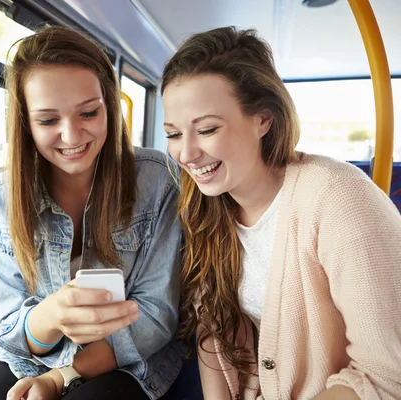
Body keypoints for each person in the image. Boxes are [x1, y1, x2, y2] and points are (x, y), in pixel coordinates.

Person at [161, 26, 401, 399]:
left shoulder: (339, 201)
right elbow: (213, 328)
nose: (187, 154)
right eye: (174, 134)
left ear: (263, 119)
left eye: (206, 129)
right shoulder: (206, 207)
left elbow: (387, 375)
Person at [0, 26, 184, 400]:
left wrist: (62, 376)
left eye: (88, 112)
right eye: (48, 121)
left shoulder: (157, 178)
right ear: (26, 124)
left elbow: (157, 315)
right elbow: (11, 323)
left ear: (109, 107)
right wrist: (51, 315)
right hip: (31, 355)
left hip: (131, 357)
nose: (72, 136)